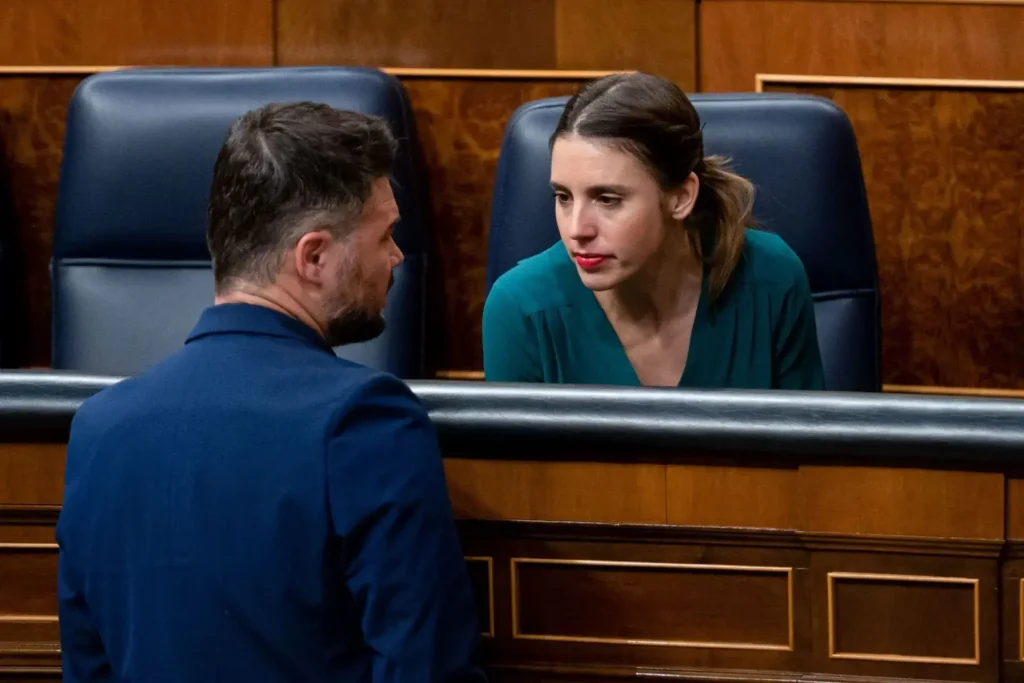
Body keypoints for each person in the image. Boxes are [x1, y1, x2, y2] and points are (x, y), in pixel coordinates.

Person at [56, 102, 485, 683]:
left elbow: (88, 668)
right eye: (385, 234)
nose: (396, 256)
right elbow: (428, 669)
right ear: (313, 257)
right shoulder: (365, 422)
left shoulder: (98, 429)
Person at [482, 73, 826, 390]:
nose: (576, 230)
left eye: (607, 199)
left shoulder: (773, 277)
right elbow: (516, 460)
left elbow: (812, 450)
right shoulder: (520, 307)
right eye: (563, 197)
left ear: (680, 197)